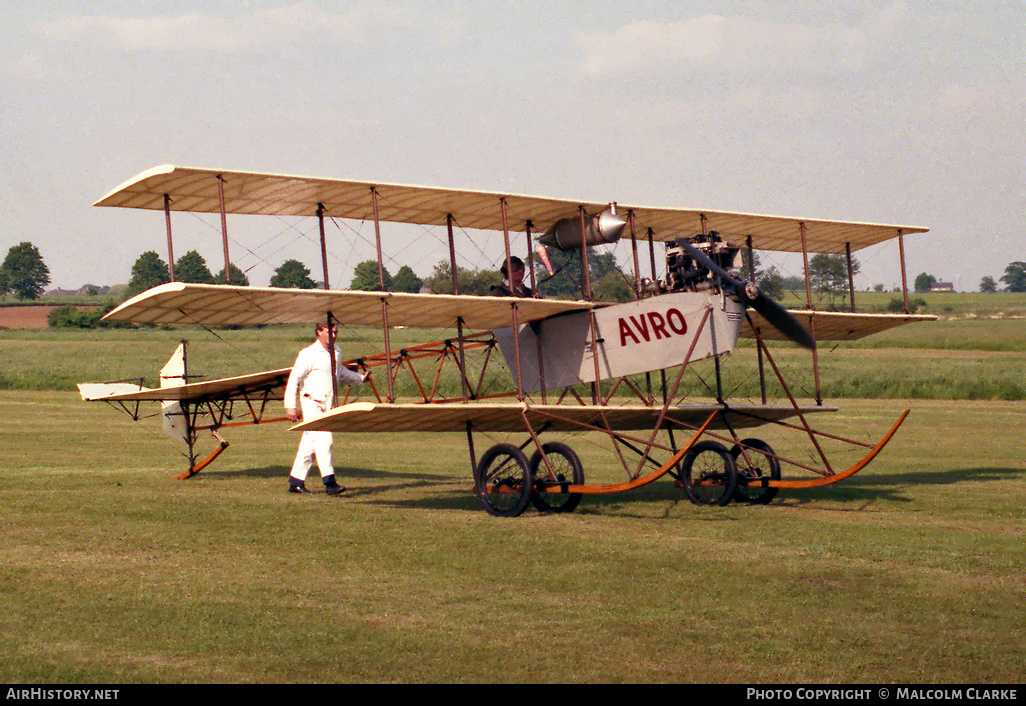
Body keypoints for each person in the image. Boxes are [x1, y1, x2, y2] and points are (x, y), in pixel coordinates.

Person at [284, 322, 369, 495]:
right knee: (325, 440)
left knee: (309, 444)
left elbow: (341, 373)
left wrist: (360, 378)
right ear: (319, 332)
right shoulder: (308, 354)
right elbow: (294, 379)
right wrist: (290, 406)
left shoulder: (336, 351)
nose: (334, 335)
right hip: (311, 403)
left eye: (336, 332)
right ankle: (330, 483)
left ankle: (296, 482)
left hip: (328, 404)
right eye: (330, 332)